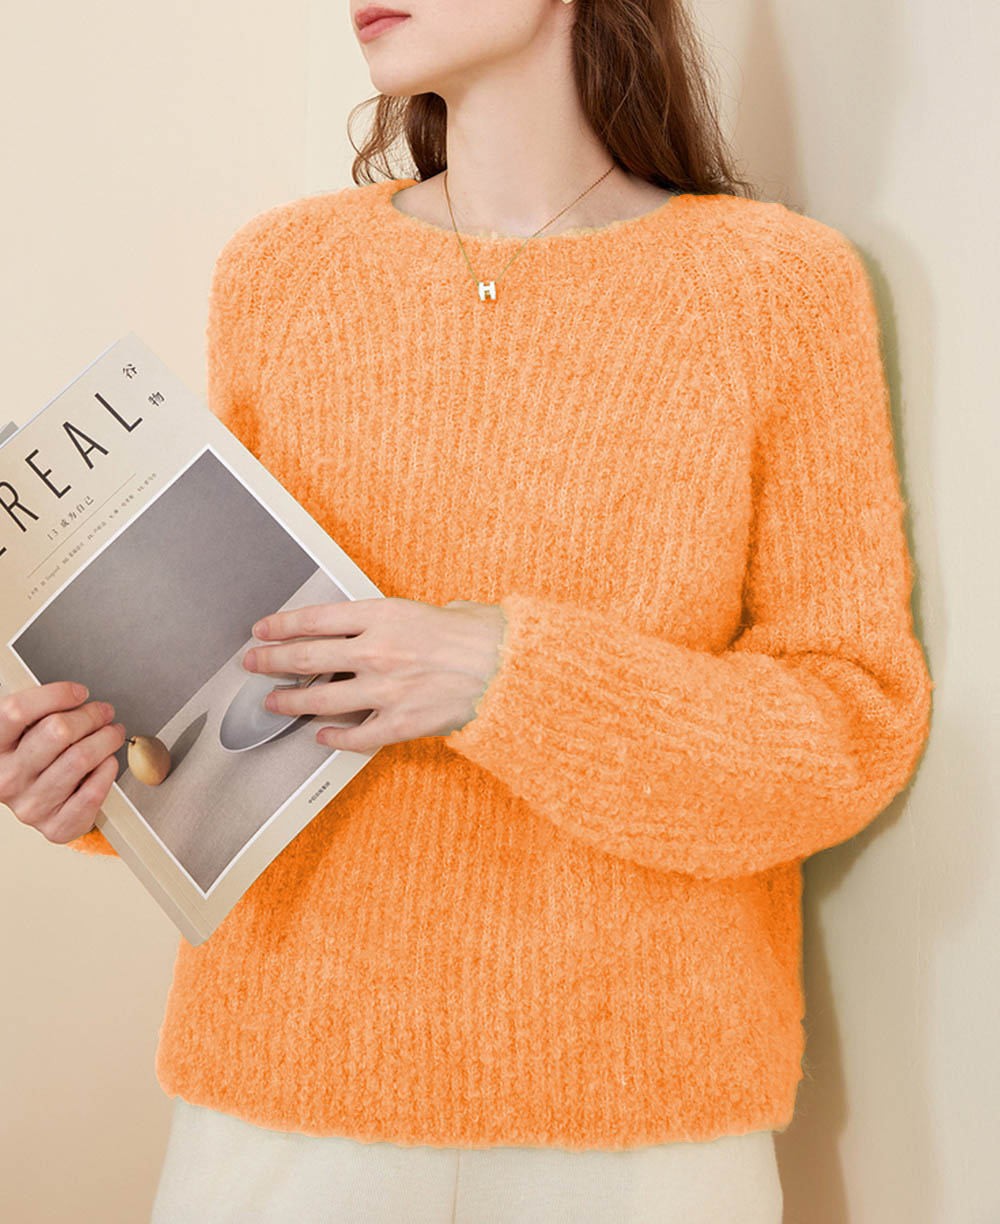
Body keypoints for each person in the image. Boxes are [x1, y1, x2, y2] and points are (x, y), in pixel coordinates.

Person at [3, 0, 933, 1220]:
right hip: (281, 1100)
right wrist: (98, 783)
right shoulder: (282, 273)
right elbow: (238, 673)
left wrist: (508, 675)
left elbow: (849, 726)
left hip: (644, 1123)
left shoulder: (775, 287)